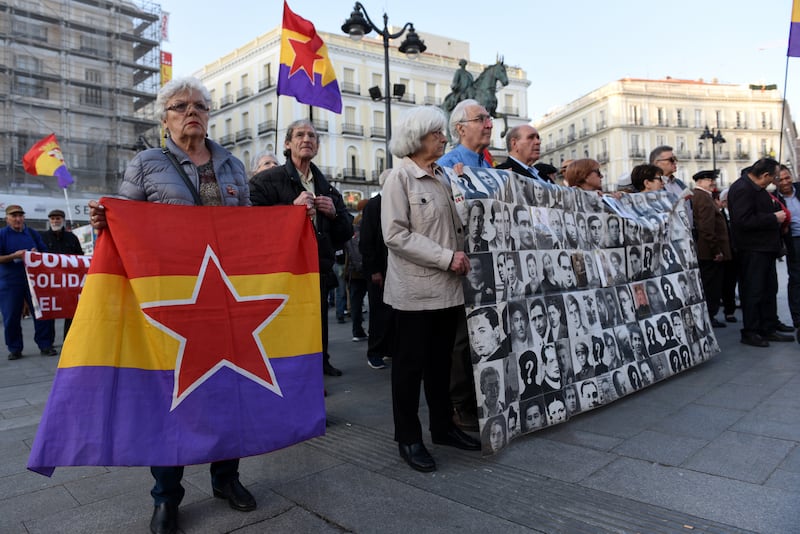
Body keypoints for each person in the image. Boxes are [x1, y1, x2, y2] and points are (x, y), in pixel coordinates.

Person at [88, 76, 255, 534]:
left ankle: (227, 479)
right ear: (165, 118)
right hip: (170, 298)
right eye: (180, 106)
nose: (191, 112)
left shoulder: (233, 166)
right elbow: (125, 223)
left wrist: (291, 218)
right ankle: (166, 497)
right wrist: (106, 219)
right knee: (172, 394)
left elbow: (250, 230)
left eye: (199, 105)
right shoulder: (146, 163)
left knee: (226, 388)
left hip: (224, 296)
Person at [380, 105, 481, 473]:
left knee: (440, 366)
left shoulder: (444, 177)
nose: (443, 137)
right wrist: (445, 257)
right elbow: (395, 235)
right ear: (417, 137)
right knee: (409, 368)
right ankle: (408, 437)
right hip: (415, 293)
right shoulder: (399, 178)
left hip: (449, 291)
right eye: (436, 132)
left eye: (442, 132)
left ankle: (443, 428)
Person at [250, 119, 353, 377]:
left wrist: (334, 215)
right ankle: (293, 374)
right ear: (287, 144)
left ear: (317, 146)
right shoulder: (267, 181)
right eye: (299, 135)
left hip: (317, 267)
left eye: (312, 136)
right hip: (282, 270)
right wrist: (290, 212)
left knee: (317, 321)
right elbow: (250, 222)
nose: (306, 139)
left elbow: (346, 230)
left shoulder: (326, 186)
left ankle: (319, 365)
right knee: (287, 325)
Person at [727, 158, 794, 347]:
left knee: (768, 289)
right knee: (754, 291)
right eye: (774, 177)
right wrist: (773, 218)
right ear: (765, 175)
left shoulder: (759, 189)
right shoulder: (742, 189)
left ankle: (768, 326)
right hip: (752, 250)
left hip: (765, 249)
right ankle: (751, 331)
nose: (775, 181)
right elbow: (742, 221)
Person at [0, 205, 56, 360]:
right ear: (7, 218)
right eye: (14, 216)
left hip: (34, 280)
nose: (18, 219)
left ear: (24, 217)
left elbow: (45, 254)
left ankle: (45, 345)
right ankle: (14, 348)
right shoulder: (2, 234)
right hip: (10, 282)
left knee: (42, 313)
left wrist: (36, 255)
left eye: (20, 215)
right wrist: (13, 256)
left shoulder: (32, 233)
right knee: (11, 316)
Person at [359, 173, 393, 370]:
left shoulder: (396, 202)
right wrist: (374, 270)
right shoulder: (374, 205)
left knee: (393, 313)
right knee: (379, 312)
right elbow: (367, 241)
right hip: (378, 270)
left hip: (394, 269)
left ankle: (389, 348)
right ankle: (375, 352)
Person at [692, 170, 732, 328]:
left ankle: (710, 315)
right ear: (700, 181)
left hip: (709, 251)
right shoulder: (702, 198)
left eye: (713, 179)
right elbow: (706, 227)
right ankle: (710, 315)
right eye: (709, 179)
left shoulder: (702, 196)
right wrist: (716, 250)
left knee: (712, 285)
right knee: (711, 286)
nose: (713, 182)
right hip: (709, 253)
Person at [40, 208, 84, 342]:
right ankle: (47, 344)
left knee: (71, 310)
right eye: (52, 218)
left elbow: (79, 257)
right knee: (48, 312)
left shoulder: (72, 237)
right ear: (49, 220)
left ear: (63, 220)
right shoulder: (42, 237)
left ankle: (69, 340)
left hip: (68, 281)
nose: (55, 221)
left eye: (58, 218)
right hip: (49, 281)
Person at [438, 98, 493, 171]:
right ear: (461, 129)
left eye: (488, 119)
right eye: (480, 119)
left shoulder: (486, 165)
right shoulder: (447, 165)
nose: (489, 125)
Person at [776, 164, 800, 328]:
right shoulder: (774, 198)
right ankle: (798, 319)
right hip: (794, 241)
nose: (785, 182)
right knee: (797, 279)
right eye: (781, 179)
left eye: (787, 177)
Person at [345, 200, 369, 342]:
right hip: (361, 270)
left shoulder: (354, 223)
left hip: (353, 271)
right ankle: (359, 330)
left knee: (356, 302)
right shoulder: (362, 223)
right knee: (367, 301)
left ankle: (357, 330)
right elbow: (356, 249)